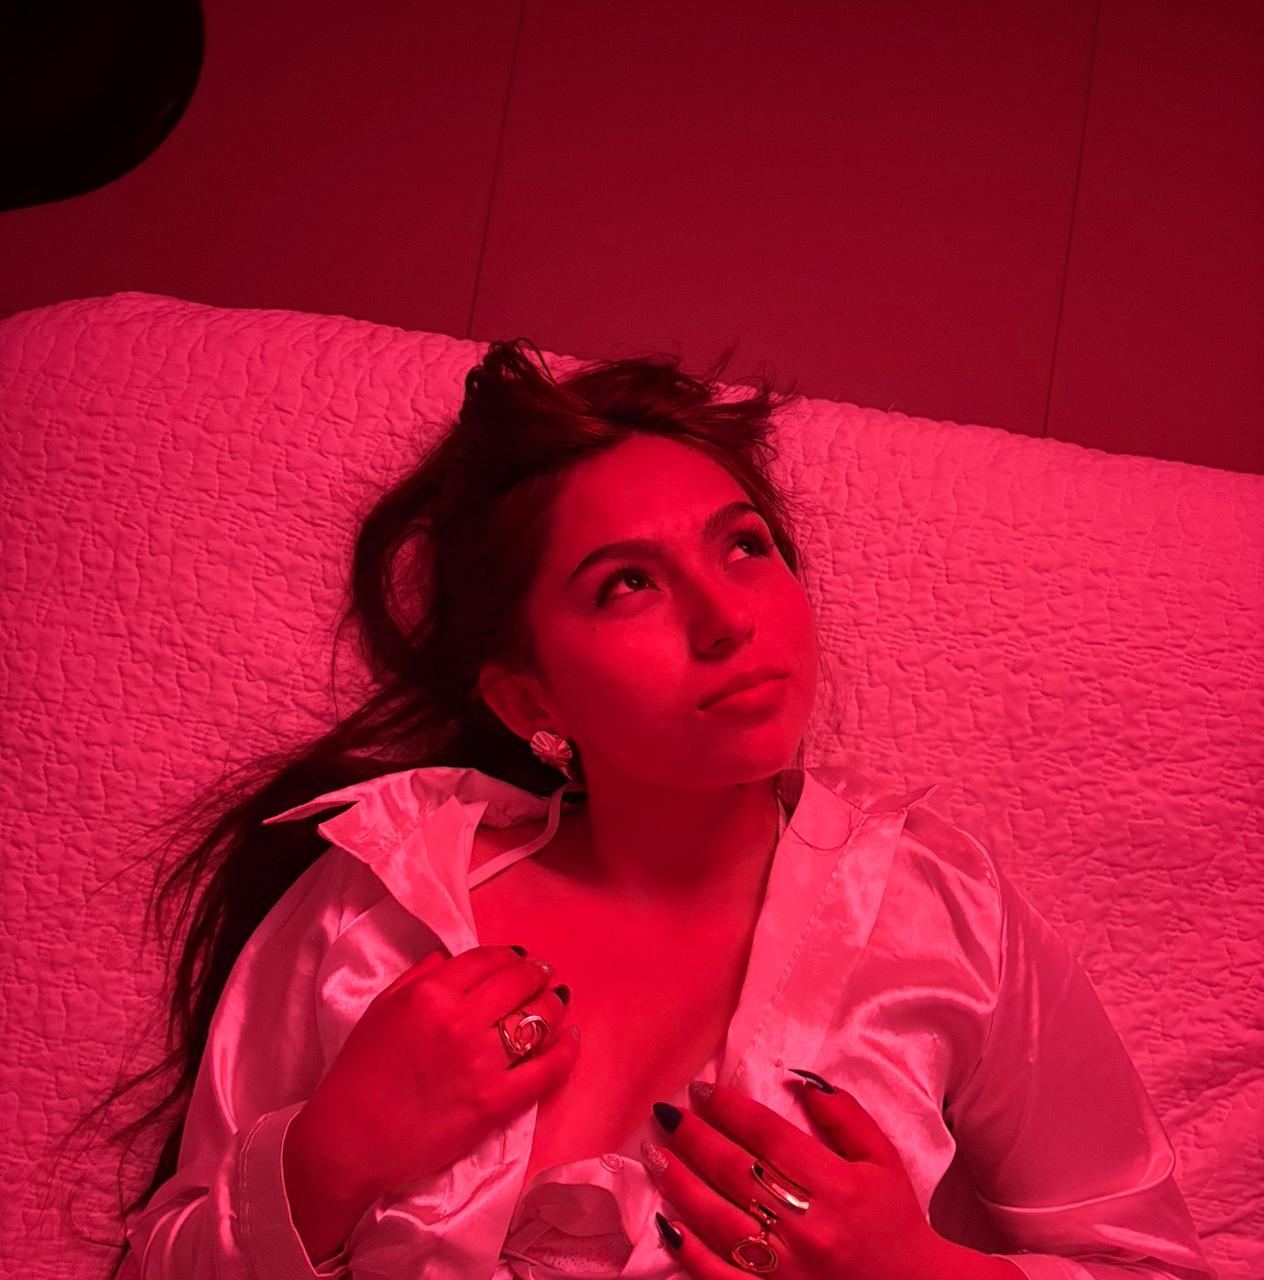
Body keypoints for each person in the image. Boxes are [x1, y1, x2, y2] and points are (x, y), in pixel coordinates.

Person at [66, 340, 1214, 1279]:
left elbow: (1150, 1260)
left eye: (745, 545)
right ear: (530, 700)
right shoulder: (375, 910)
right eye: (628, 582)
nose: (726, 617)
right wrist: (327, 1158)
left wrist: (914, 1271)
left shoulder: (940, 916)